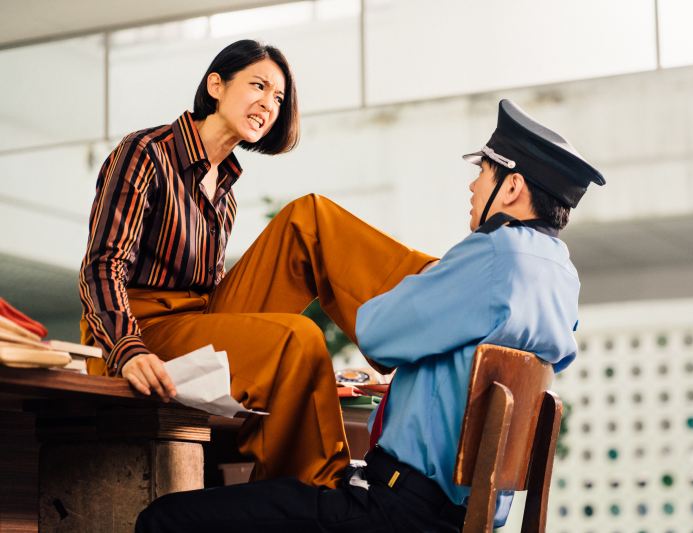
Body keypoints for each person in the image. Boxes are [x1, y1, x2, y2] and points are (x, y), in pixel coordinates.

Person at [134, 99, 605, 533]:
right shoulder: (562, 279)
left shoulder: (494, 254)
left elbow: (377, 333)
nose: (473, 184)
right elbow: (479, 373)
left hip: (393, 512)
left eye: (483, 171)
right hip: (456, 518)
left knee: (164, 519)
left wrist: (427, 281)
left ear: (512, 187)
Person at [79, 39, 436, 489]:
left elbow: (214, 298)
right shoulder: (145, 152)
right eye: (258, 86)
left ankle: (425, 299)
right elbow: (102, 265)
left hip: (197, 320)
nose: (269, 104)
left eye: (279, 98)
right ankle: (321, 490)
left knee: (308, 217)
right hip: (141, 333)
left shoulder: (224, 192)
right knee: (298, 336)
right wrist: (127, 348)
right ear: (216, 86)